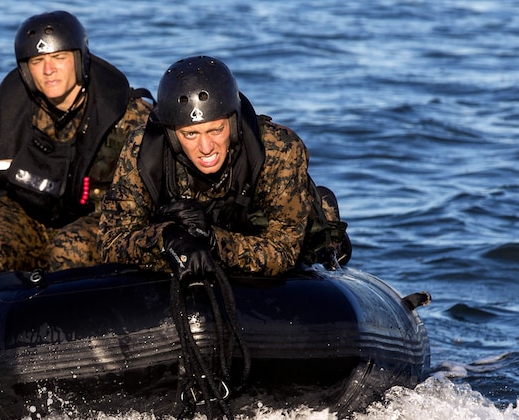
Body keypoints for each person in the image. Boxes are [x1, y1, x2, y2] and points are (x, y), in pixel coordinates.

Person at [0, 10, 152, 276]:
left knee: (69, 250)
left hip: (99, 217)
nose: (49, 70)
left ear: (79, 59)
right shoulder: (8, 105)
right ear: (26, 69)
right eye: (38, 61)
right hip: (26, 212)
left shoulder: (123, 113)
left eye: (59, 58)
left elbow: (159, 176)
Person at [99, 55, 348, 281]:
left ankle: (323, 212)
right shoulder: (142, 150)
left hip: (259, 227)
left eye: (216, 130)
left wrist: (211, 240)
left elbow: (282, 253)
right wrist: (167, 239)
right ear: (172, 135)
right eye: (190, 134)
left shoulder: (278, 150)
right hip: (193, 233)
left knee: (316, 246)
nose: (206, 147)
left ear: (234, 122)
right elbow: (111, 243)